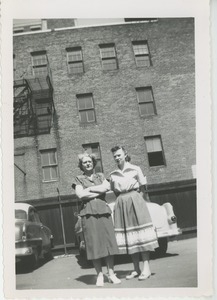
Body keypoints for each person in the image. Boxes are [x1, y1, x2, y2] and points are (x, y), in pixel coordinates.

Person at [110, 145, 159, 281]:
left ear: (125, 154)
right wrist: (123, 200)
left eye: (119, 155)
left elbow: (143, 188)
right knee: (129, 237)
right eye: (115, 156)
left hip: (136, 200)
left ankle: (146, 268)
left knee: (140, 235)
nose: (117, 158)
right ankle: (136, 269)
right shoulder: (113, 175)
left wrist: (138, 201)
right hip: (121, 203)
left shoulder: (135, 169)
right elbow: (115, 191)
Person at [72, 153, 121, 287]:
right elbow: (81, 195)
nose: (88, 163)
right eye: (85, 162)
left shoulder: (101, 176)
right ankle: (99, 274)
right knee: (94, 244)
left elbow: (107, 187)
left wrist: (90, 189)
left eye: (90, 161)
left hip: (103, 211)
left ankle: (111, 274)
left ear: (93, 163)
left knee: (109, 242)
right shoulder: (78, 178)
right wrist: (98, 191)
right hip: (88, 213)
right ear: (81, 165)